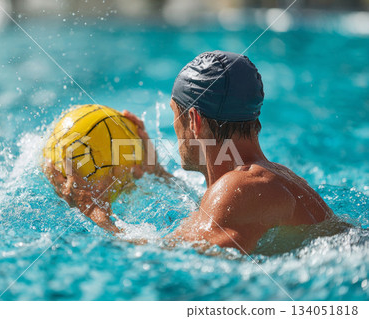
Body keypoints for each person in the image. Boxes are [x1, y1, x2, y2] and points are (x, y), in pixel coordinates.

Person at [45, 50, 333, 254]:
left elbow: (173, 257)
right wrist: (155, 170)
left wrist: (92, 210)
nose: (173, 128)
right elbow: (204, 221)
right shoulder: (270, 176)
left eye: (175, 115)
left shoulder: (240, 189)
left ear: (194, 121)